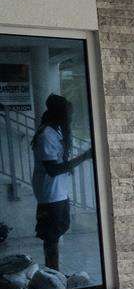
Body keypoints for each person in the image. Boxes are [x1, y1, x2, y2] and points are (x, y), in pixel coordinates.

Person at [31, 94, 92, 271]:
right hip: (50, 194)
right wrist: (84, 157)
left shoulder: (54, 131)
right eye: (68, 114)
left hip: (57, 192)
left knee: (57, 231)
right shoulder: (46, 135)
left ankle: (53, 272)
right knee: (51, 236)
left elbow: (57, 164)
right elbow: (53, 169)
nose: (71, 118)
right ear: (59, 114)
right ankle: (53, 273)